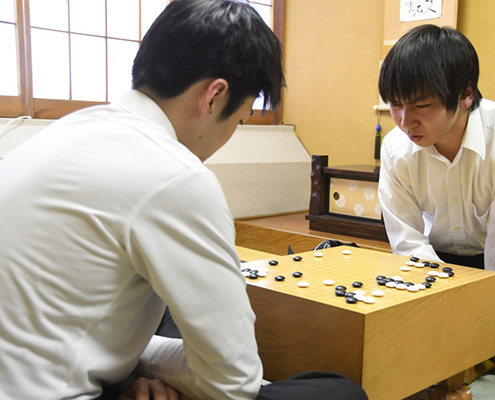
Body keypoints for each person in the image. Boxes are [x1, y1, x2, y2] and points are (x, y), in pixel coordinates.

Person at [0, 1, 368, 399]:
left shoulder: (64, 132)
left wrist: (142, 370)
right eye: (240, 119)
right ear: (214, 97)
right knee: (340, 393)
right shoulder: (175, 175)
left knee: (165, 317)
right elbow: (233, 384)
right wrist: (165, 376)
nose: (231, 135)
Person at [377, 24, 495, 372]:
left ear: (466, 94)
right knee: (403, 353)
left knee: (481, 355)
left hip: (491, 266)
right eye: (396, 105)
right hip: (430, 261)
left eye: (421, 105)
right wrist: (450, 304)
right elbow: (407, 239)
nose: (406, 121)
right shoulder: (395, 148)